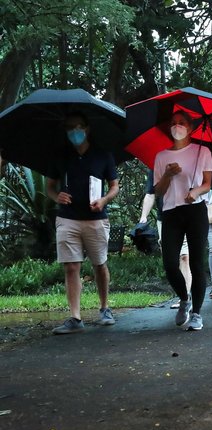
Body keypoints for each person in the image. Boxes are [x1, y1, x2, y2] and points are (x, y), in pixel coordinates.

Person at [45, 111, 119, 334]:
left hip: (96, 219)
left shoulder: (103, 155)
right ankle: (75, 317)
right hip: (67, 218)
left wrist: (104, 200)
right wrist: (56, 196)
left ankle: (105, 308)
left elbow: (114, 186)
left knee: (99, 264)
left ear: (87, 129)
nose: (74, 131)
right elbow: (49, 187)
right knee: (71, 266)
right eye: (69, 127)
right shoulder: (60, 155)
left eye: (77, 126)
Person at [153, 110, 212, 331]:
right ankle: (183, 298)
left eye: (181, 123)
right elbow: (158, 191)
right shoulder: (161, 157)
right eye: (173, 123)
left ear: (190, 127)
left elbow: (207, 183)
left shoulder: (202, 151)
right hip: (171, 212)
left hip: (196, 211)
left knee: (197, 264)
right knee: (170, 263)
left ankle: (197, 313)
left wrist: (196, 192)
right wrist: (168, 175)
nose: (176, 126)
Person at [139, 169, 191, 307]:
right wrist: (143, 217)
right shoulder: (155, 167)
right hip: (165, 219)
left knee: (184, 257)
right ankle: (182, 294)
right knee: (170, 262)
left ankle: (185, 298)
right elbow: (150, 194)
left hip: (184, 216)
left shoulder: (185, 164)